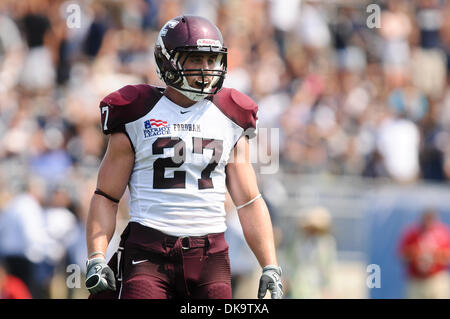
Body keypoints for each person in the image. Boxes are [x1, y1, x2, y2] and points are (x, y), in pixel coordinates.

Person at [85, 15, 282, 299]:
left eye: (210, 60)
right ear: (167, 62)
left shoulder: (230, 114)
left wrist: (270, 265)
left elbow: (249, 201)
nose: (205, 69)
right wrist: (96, 255)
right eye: (194, 59)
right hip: (148, 251)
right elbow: (106, 195)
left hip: (210, 256)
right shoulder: (136, 111)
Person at [398, 209, 450, 299]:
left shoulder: (443, 233)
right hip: (416, 280)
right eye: (426, 219)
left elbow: (447, 255)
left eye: (430, 219)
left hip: (436, 279)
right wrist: (416, 253)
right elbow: (402, 255)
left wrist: (434, 255)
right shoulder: (412, 234)